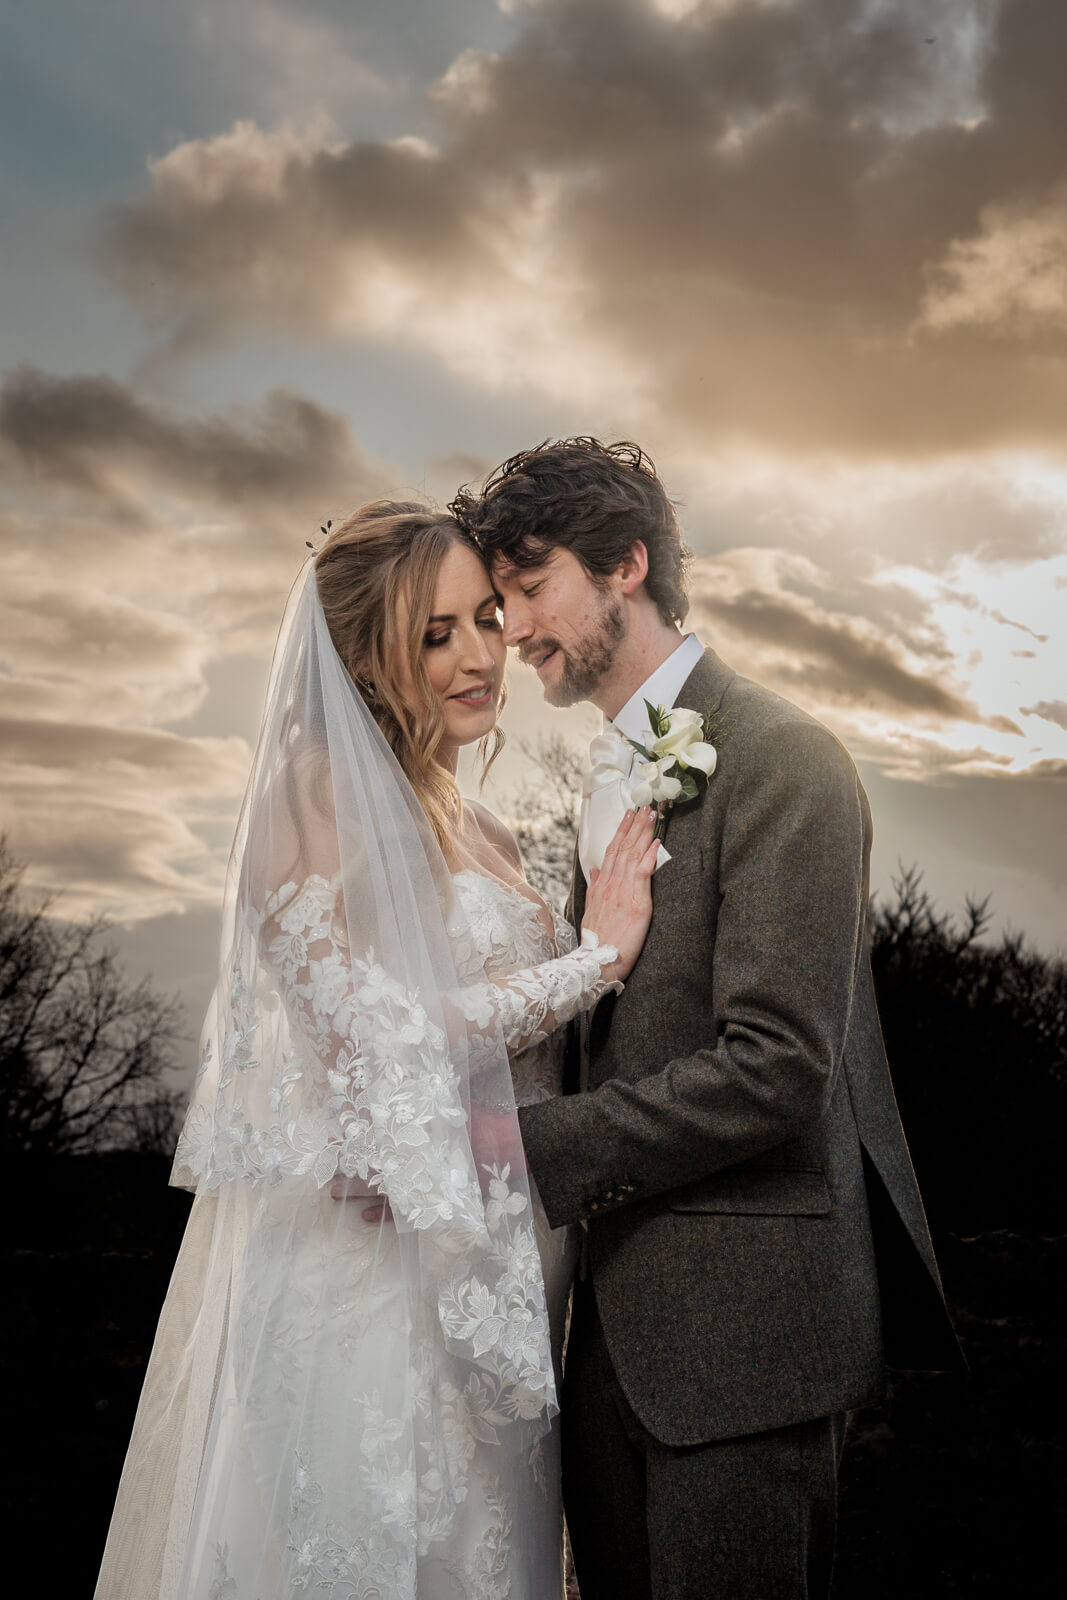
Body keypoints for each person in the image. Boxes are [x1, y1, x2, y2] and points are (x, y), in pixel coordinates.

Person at [93, 501, 659, 1600]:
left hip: (500, 1264)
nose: (476, 654)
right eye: (432, 633)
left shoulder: (477, 822)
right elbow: (387, 1032)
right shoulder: (310, 797)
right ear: (360, 658)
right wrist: (597, 958)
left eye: (484, 617)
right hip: (381, 1285)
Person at [452, 439, 961, 1600]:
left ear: (624, 564)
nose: (514, 628)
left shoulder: (787, 760)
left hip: (743, 1345)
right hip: (604, 1348)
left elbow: (778, 1063)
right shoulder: (603, 775)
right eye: (502, 599)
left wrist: (527, 1150)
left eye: (532, 589)